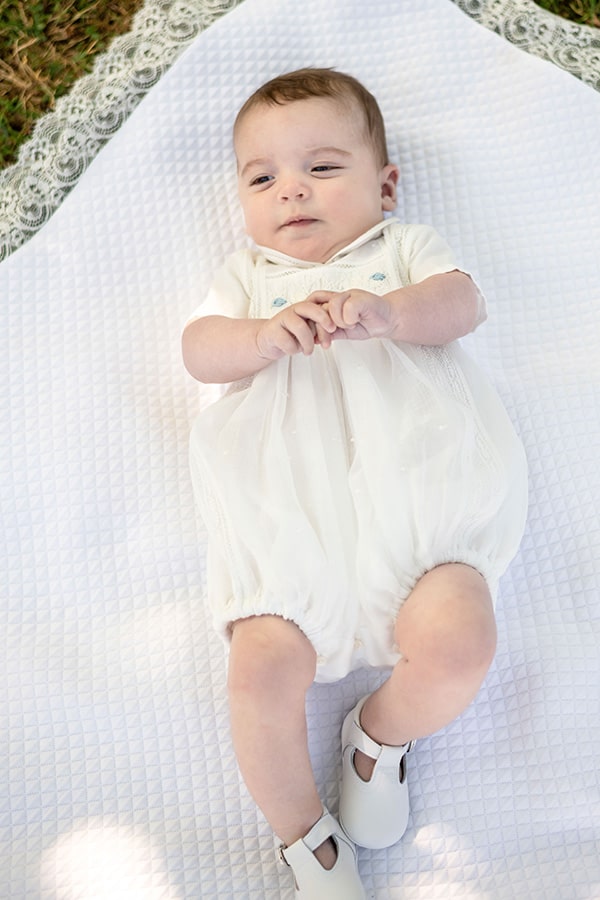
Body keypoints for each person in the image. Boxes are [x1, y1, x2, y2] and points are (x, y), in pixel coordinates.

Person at [182, 68, 528, 898]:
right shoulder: (248, 279)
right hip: (288, 542)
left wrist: (393, 314)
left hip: (423, 522)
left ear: (386, 183)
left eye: (323, 168)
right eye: (262, 177)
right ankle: (305, 835)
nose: (290, 190)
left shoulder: (400, 254)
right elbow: (199, 350)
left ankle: (377, 737)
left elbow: (464, 303)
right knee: (257, 675)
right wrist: (261, 337)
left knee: (461, 642)